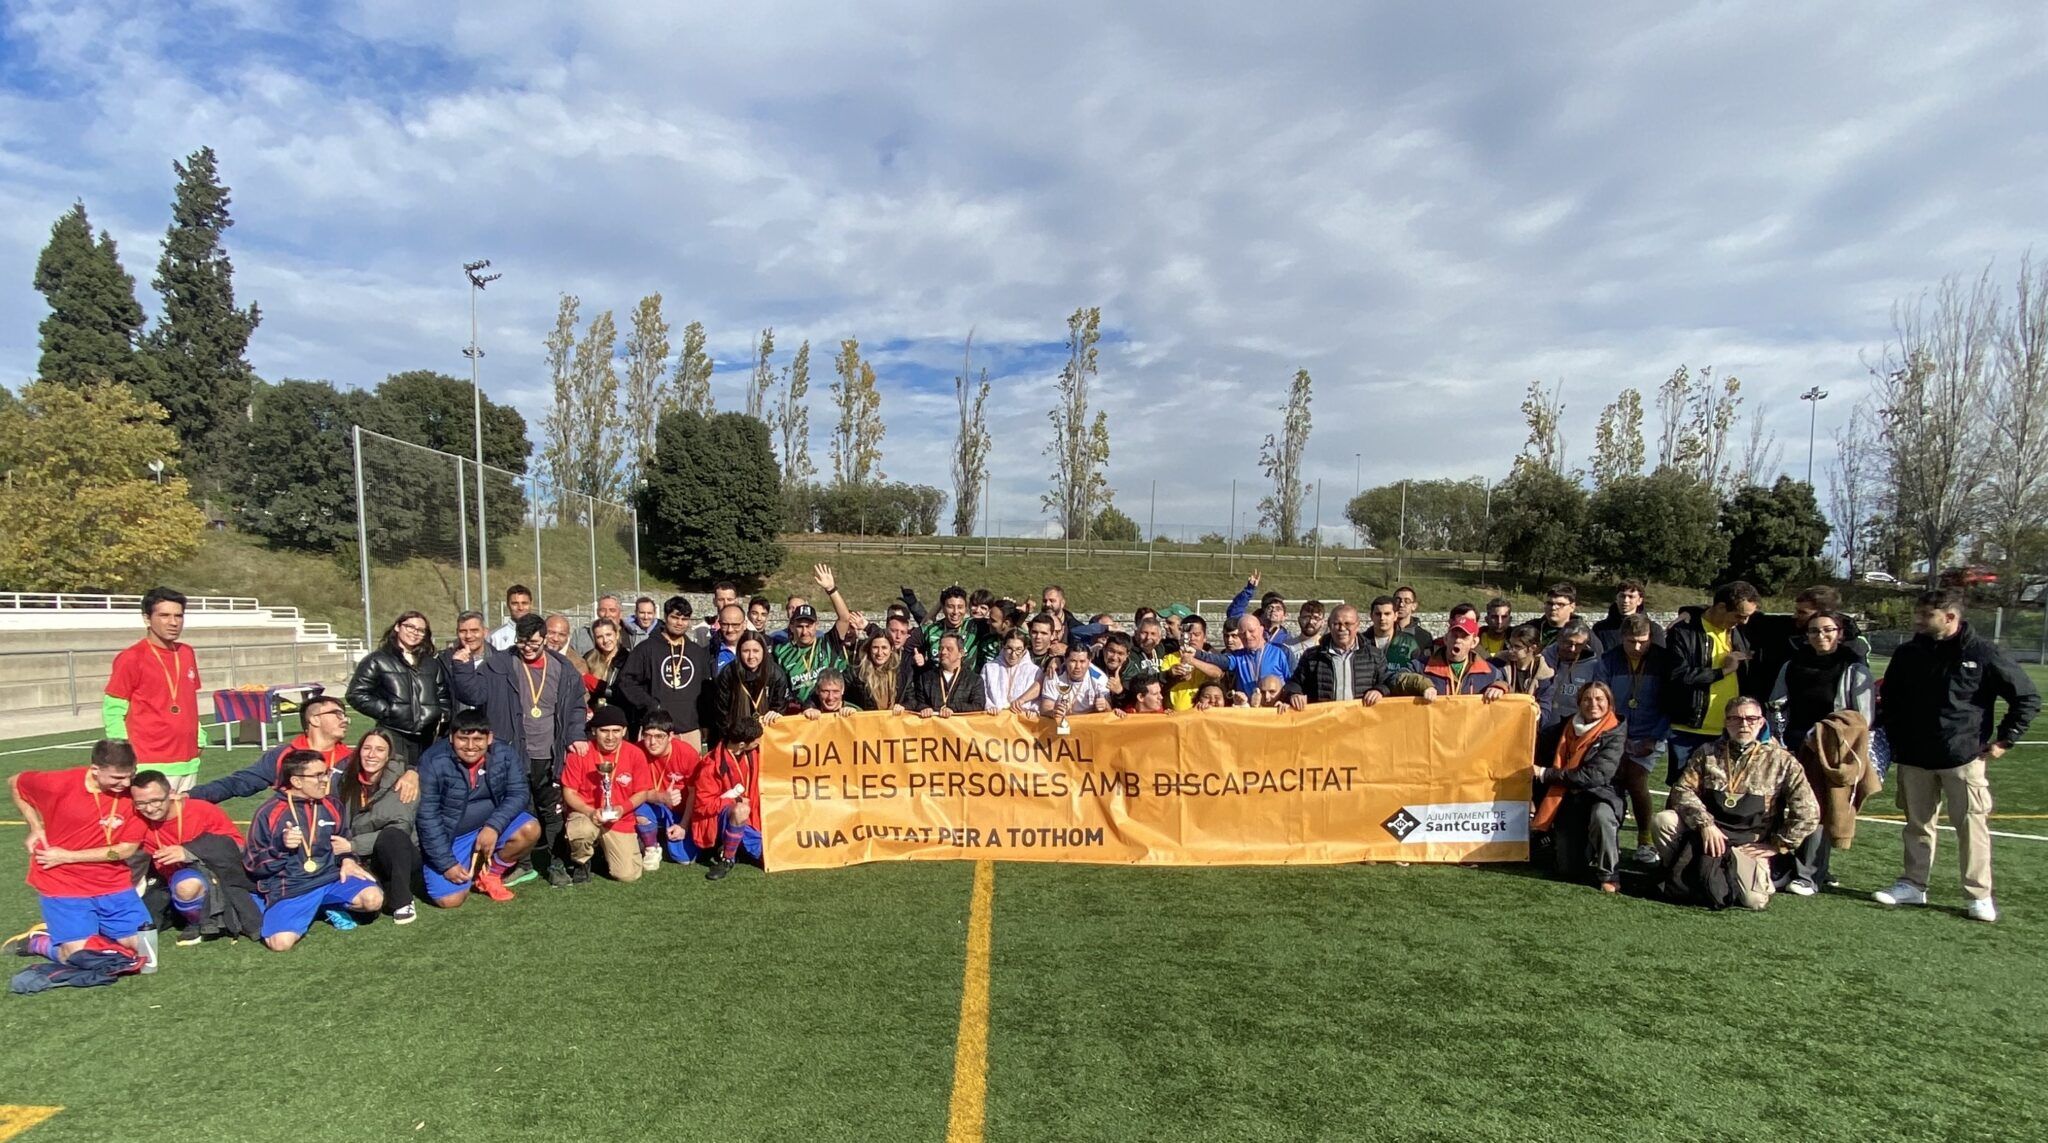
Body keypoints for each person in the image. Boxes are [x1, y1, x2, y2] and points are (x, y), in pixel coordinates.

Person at [1871, 589, 2040, 922]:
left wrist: (2005, 740)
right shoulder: (1908, 653)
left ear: (1950, 617)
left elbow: (2026, 697)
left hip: (1963, 758)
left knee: (1971, 828)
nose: (1917, 621)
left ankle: (1979, 895)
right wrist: (1898, 736)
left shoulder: (1983, 652)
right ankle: (1913, 885)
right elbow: (1889, 697)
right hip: (1915, 757)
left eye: (1925, 615)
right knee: (1917, 826)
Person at [447, 613, 590, 888]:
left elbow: (576, 707)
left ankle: (556, 863)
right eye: (522, 642)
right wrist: (462, 669)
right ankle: (521, 865)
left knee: (552, 811)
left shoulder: (563, 668)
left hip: (550, 753)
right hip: (511, 752)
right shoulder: (499, 664)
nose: (527, 648)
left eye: (534, 643)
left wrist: (574, 735)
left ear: (545, 639)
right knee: (516, 809)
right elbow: (473, 695)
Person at [1653, 696, 1818, 911]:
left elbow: (1808, 811)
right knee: (1663, 820)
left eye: (1751, 719)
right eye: (1736, 719)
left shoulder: (1782, 761)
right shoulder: (1707, 753)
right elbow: (1682, 790)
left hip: (1748, 844)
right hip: (1709, 837)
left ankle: (1767, 873)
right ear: (1726, 722)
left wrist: (1778, 844)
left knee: (1754, 901)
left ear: (1761, 722)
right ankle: (1684, 873)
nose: (1744, 724)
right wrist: (1705, 824)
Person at [7, 740, 152, 964]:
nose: (126, 783)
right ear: (95, 770)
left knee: (147, 952)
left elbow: (126, 850)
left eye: (130, 775)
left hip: (112, 883)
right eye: (117, 778)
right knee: (80, 957)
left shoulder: (133, 794)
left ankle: (92, 934)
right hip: (63, 882)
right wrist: (36, 827)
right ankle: (41, 941)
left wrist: (66, 856)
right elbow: (16, 783)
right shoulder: (58, 784)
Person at [1766, 609, 1875, 894]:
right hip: (1791, 746)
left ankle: (1809, 874)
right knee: (1778, 806)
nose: (1821, 636)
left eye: (1828, 630)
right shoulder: (1792, 665)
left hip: (1828, 751)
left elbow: (1863, 718)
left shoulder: (1853, 668)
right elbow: (1777, 704)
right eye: (1814, 631)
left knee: (1816, 810)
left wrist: (1826, 733)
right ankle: (1779, 864)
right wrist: (1778, 737)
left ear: (1839, 633)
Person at [245, 749, 383, 951]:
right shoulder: (269, 813)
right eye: (317, 775)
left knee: (373, 899)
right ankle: (295, 908)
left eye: (326, 773)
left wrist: (348, 859)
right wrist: (280, 847)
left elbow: (344, 839)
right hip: (292, 887)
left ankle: (326, 905)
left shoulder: (332, 804)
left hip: (329, 879)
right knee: (280, 944)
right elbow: (252, 863)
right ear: (296, 781)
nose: (325, 780)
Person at [415, 710, 542, 908]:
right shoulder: (433, 761)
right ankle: (465, 864)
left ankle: (490, 875)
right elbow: (427, 818)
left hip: (490, 825)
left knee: (530, 829)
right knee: (450, 900)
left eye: (477, 739)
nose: (470, 746)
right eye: (463, 739)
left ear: (489, 738)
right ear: (451, 738)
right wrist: (446, 864)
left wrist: (493, 826)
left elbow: (519, 793)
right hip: (453, 835)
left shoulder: (505, 754)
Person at [130, 769, 262, 944]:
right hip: (163, 880)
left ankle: (199, 922)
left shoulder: (202, 810)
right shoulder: (135, 819)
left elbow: (236, 847)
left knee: (187, 886)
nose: (149, 808)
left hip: (215, 875)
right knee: (137, 925)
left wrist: (189, 851)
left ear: (172, 794)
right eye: (141, 803)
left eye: (156, 800)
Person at [104, 586, 205, 793]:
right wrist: (123, 753)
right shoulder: (131, 657)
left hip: (188, 761)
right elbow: (113, 709)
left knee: (180, 823)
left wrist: (200, 736)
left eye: (179, 616)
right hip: (148, 762)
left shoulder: (186, 653)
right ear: (147, 618)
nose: (174, 622)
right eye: (165, 615)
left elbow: (187, 701)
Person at [1531, 681, 1627, 892]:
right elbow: (1537, 742)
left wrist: (1547, 773)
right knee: (1567, 870)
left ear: (1609, 703)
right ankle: (1581, 848)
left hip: (1602, 795)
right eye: (1587, 699)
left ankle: (1609, 875)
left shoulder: (1615, 732)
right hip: (1569, 797)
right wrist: (1532, 715)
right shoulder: (1564, 727)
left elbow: (1595, 776)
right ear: (1579, 703)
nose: (1593, 704)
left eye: (1599, 699)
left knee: (1602, 817)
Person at [190, 694, 369, 805]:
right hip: (293, 838)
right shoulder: (284, 755)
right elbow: (241, 782)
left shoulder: (354, 759)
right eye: (337, 714)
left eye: (344, 715)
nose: (344, 720)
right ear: (314, 720)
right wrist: (192, 795)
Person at [1596, 613, 1674, 866]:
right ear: (1622, 639)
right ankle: (1608, 838)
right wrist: (1616, 735)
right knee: (1614, 779)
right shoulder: (1608, 660)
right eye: (1631, 641)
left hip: (1651, 733)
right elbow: (1601, 701)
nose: (1637, 647)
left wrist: (1655, 737)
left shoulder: (1663, 661)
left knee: (1636, 778)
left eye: (1642, 641)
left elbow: (1670, 705)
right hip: (1616, 731)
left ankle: (1645, 840)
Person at [1663, 581, 1762, 782]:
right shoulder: (1683, 631)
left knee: (1725, 797)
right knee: (1682, 794)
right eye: (1740, 616)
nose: (1744, 621)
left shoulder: (1740, 630)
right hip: (1689, 731)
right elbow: (1678, 675)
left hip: (1731, 730)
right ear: (1721, 607)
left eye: (1748, 616)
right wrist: (1723, 671)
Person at [561, 706, 659, 884]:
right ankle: (581, 861)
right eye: (604, 731)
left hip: (619, 818)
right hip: (587, 814)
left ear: (624, 731)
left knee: (628, 875)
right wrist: (589, 811)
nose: (610, 736)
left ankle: (603, 853)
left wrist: (623, 809)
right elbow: (569, 792)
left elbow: (642, 792)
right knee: (581, 831)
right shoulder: (580, 753)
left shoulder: (634, 754)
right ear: (593, 731)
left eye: (616, 731)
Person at [345, 610, 453, 766]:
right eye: (410, 627)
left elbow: (442, 694)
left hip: (426, 737)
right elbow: (356, 693)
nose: (415, 633)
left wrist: (441, 715)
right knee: (394, 780)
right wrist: (387, 710)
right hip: (393, 733)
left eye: (420, 630)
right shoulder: (377, 660)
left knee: (422, 780)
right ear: (397, 627)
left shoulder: (431, 663)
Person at [335, 729, 420, 924]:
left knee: (392, 835)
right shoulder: (346, 779)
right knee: (368, 907)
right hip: (357, 855)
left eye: (380, 750)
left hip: (397, 854)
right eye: (367, 748)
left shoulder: (404, 783)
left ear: (388, 755)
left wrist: (352, 846)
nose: (372, 755)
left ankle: (402, 901)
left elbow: (401, 828)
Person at [615, 595, 713, 750]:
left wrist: (705, 722)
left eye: (685, 619)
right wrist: (649, 704)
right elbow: (626, 681)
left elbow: (705, 690)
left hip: (689, 729)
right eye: (675, 617)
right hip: (655, 729)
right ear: (665, 617)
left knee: (690, 773)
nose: (680, 623)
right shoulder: (647, 648)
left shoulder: (696, 652)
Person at [690, 698, 767, 881]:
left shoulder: (751, 751)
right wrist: (734, 801)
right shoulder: (710, 766)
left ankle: (736, 847)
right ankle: (727, 859)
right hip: (717, 820)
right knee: (742, 811)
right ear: (742, 744)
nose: (759, 745)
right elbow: (702, 806)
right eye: (756, 743)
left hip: (753, 818)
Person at [1281, 604, 1388, 707]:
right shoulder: (1312, 656)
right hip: (1325, 721)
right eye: (1336, 624)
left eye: (1348, 624)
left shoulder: (1375, 655)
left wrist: (1379, 690)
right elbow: (1294, 683)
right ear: (1329, 625)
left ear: (1357, 625)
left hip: (1361, 721)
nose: (1342, 628)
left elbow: (1387, 681)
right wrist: (1294, 694)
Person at [633, 711, 704, 865]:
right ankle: (651, 847)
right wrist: (660, 797)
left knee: (685, 860)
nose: (652, 742)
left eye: (659, 736)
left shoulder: (687, 753)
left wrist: (684, 825)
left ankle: (667, 835)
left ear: (671, 736)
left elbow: (695, 793)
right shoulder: (636, 752)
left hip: (680, 811)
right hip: (651, 805)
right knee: (638, 809)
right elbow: (634, 793)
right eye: (647, 735)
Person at [1390, 616, 1509, 700]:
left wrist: (1500, 687)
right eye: (1454, 635)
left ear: (1474, 642)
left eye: (1464, 637)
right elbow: (1395, 679)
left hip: (1471, 734)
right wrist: (1422, 684)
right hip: (1435, 733)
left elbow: (1507, 686)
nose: (1458, 640)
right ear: (1446, 639)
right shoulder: (1421, 666)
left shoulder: (1489, 672)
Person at [708, 631, 793, 740]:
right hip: (737, 735)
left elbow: (780, 706)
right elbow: (722, 713)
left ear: (764, 652)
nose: (751, 656)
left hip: (767, 734)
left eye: (756, 651)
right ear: (739, 652)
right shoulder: (728, 674)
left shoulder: (776, 674)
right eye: (746, 651)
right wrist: (733, 738)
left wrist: (777, 713)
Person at [774, 604, 849, 705]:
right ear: (792, 627)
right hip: (803, 714)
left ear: (816, 625)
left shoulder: (828, 643)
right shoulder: (782, 652)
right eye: (800, 626)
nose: (804, 632)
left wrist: (831, 589)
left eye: (808, 626)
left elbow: (844, 618)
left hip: (830, 708)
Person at [1162, 615, 1227, 710]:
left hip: (1204, 715)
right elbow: (1162, 686)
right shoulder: (1169, 658)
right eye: (1187, 634)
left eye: (1196, 634)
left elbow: (1217, 673)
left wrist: (1192, 660)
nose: (1192, 638)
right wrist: (1175, 677)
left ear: (1205, 637)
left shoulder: (1211, 658)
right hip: (1177, 717)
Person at [914, 633, 986, 717]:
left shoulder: (974, 680)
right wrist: (925, 708)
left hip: (960, 728)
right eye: (941, 648)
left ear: (961, 653)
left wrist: (954, 708)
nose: (943, 652)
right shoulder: (925, 678)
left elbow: (978, 706)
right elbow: (917, 702)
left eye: (949, 649)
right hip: (933, 728)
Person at [1225, 613, 1292, 702]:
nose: (1247, 636)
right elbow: (1218, 662)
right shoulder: (1237, 656)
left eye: (1251, 631)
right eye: (1243, 633)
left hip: (1276, 711)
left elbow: (1293, 683)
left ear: (1261, 630)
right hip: (1248, 711)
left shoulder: (1281, 652)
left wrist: (1287, 701)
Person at [1039, 645, 1112, 719]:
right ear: (1065, 660)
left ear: (1089, 661)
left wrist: (1105, 706)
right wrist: (1053, 713)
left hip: (1088, 723)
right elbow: (1045, 708)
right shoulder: (1054, 675)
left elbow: (1109, 714)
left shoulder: (1099, 679)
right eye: (1073, 661)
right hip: (1061, 723)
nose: (1077, 666)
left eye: (1082, 661)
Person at [1592, 581, 1664, 649]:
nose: (1626, 600)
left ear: (1639, 600)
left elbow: (1657, 659)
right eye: (1622, 596)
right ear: (1616, 598)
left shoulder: (1653, 629)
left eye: (1631, 597)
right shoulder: (1600, 629)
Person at [442, 611, 489, 715]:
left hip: (489, 726)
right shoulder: (444, 660)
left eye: (474, 630)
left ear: (485, 632)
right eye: (463, 631)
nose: (468, 636)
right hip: (457, 725)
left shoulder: (498, 661)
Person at [1365, 595, 1430, 670]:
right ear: (1371, 616)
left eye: (1387, 614)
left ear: (1395, 616)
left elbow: (1420, 672)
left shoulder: (1410, 643)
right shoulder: (1361, 642)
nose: (1382, 618)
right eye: (1378, 614)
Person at [983, 632, 1043, 714]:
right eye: (1009, 648)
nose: (1013, 654)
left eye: (1018, 649)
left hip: (1020, 721)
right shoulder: (989, 667)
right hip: (995, 719)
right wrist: (989, 706)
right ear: (1003, 646)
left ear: (1025, 649)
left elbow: (1039, 698)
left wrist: (1033, 710)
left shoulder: (1035, 671)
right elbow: (983, 692)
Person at [849, 631, 908, 714]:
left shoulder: (902, 672)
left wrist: (903, 706)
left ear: (891, 649)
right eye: (875, 647)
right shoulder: (856, 674)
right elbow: (846, 700)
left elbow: (911, 699)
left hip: (894, 724)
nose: (879, 653)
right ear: (869, 649)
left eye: (884, 648)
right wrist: (849, 708)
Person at [580, 617, 629, 712]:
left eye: (608, 634)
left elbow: (625, 692)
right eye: (599, 637)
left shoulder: (627, 659)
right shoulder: (588, 658)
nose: (605, 640)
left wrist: (597, 685)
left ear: (617, 634)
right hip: (593, 714)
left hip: (618, 713)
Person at [488, 583, 536, 651]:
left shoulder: (542, 632)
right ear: (508, 605)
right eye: (515, 603)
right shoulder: (495, 636)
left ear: (531, 604)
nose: (520, 608)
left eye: (524, 603)